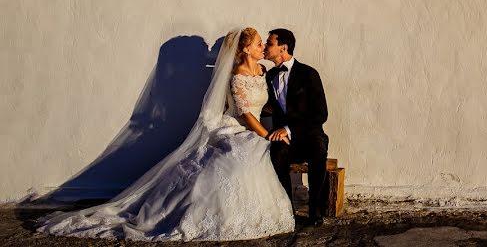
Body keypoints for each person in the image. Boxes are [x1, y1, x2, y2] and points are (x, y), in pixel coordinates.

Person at [37, 28, 295, 241]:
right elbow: (245, 113)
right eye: (260, 43)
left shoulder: (262, 72)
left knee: (251, 152)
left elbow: (264, 104)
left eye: (265, 43)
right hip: (237, 126)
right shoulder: (237, 75)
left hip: (253, 126)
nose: (263, 47)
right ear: (246, 49)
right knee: (240, 154)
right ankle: (205, 211)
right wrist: (267, 134)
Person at [264, 28, 330, 226]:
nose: (266, 47)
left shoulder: (309, 74)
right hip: (285, 139)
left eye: (269, 43)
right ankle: (287, 211)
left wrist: (290, 129)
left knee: (318, 149)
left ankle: (315, 212)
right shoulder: (268, 76)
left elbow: (321, 114)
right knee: (276, 153)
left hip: (309, 134)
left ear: (283, 47)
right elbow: (268, 107)